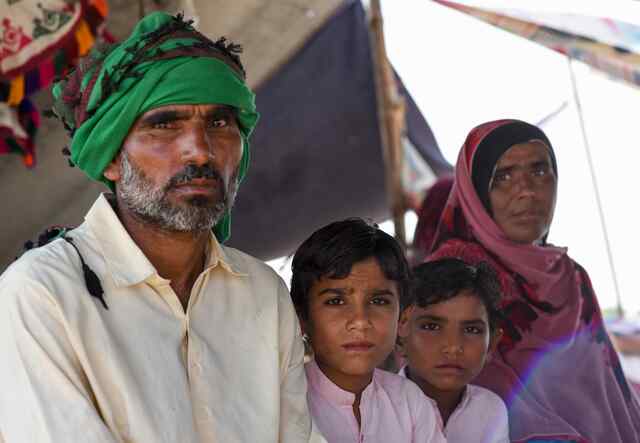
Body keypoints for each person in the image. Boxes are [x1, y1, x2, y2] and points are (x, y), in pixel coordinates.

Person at [0, 12, 313, 442]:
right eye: (164, 124)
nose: (199, 151)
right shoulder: (43, 293)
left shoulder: (262, 292)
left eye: (219, 123)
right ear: (111, 157)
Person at [429, 119, 640, 442]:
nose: (526, 190)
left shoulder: (572, 276)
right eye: (503, 176)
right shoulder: (451, 279)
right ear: (475, 192)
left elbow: (612, 397)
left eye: (539, 171)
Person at [290, 218, 446, 443]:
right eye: (336, 301)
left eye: (379, 301)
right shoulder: (284, 402)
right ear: (302, 318)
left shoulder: (409, 402)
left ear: (402, 319)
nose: (360, 321)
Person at [398, 257, 509, 443]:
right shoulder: (372, 409)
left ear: (492, 343)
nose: (453, 347)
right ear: (400, 331)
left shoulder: (490, 409)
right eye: (431, 327)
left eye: (471, 330)